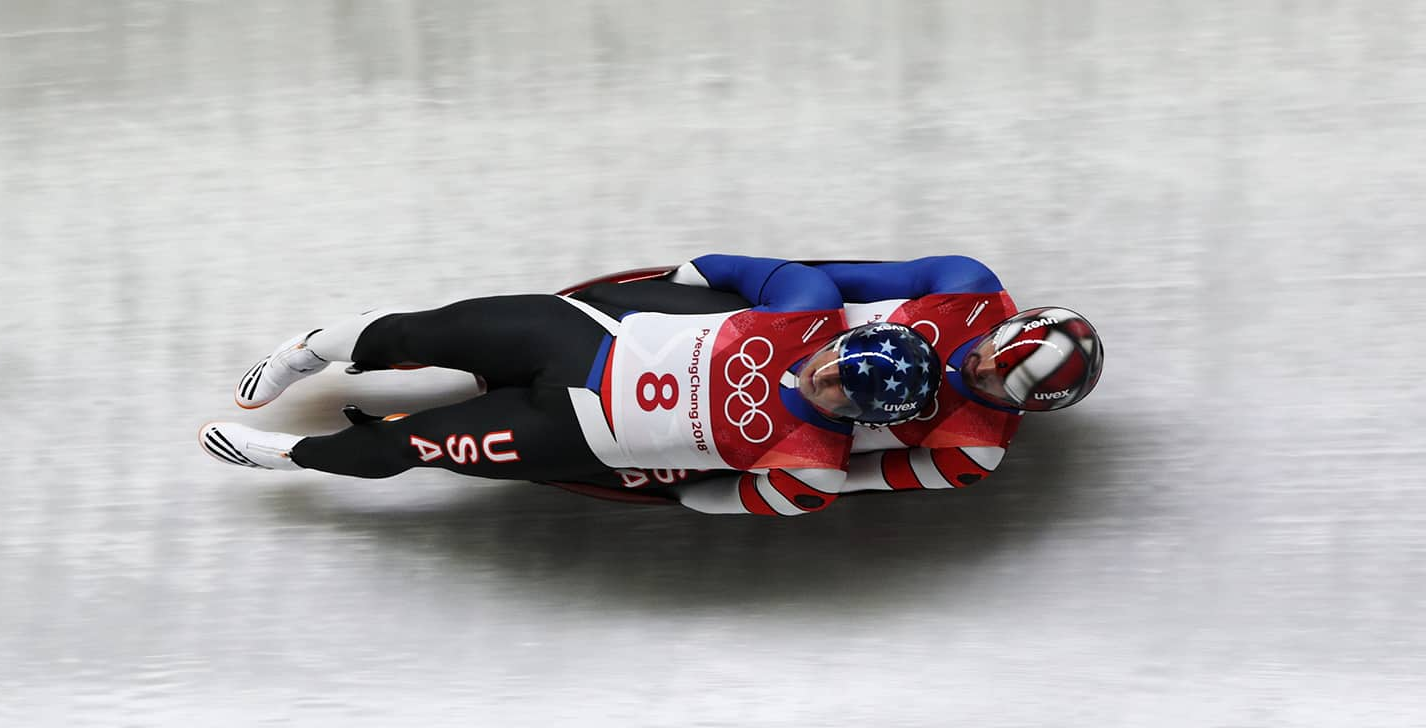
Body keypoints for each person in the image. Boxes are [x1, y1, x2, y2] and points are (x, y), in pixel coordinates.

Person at [199, 255, 946, 516]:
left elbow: (716, 499)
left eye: (844, 395)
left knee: (414, 445)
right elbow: (712, 267)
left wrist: (657, 480)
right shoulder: (807, 304)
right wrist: (664, 288)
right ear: (844, 338)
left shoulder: (813, 461)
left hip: (574, 435)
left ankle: (292, 455)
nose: (825, 379)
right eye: (838, 361)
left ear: (862, 418)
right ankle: (310, 349)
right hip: (583, 339)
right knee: (422, 331)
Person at [550, 256, 1104, 511]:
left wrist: (687, 489)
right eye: (993, 353)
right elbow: (834, 277)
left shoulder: (969, 455)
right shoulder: (967, 285)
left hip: (764, 429)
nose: (983, 371)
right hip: (770, 341)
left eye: (1004, 385)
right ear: (1003, 323)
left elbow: (846, 481)